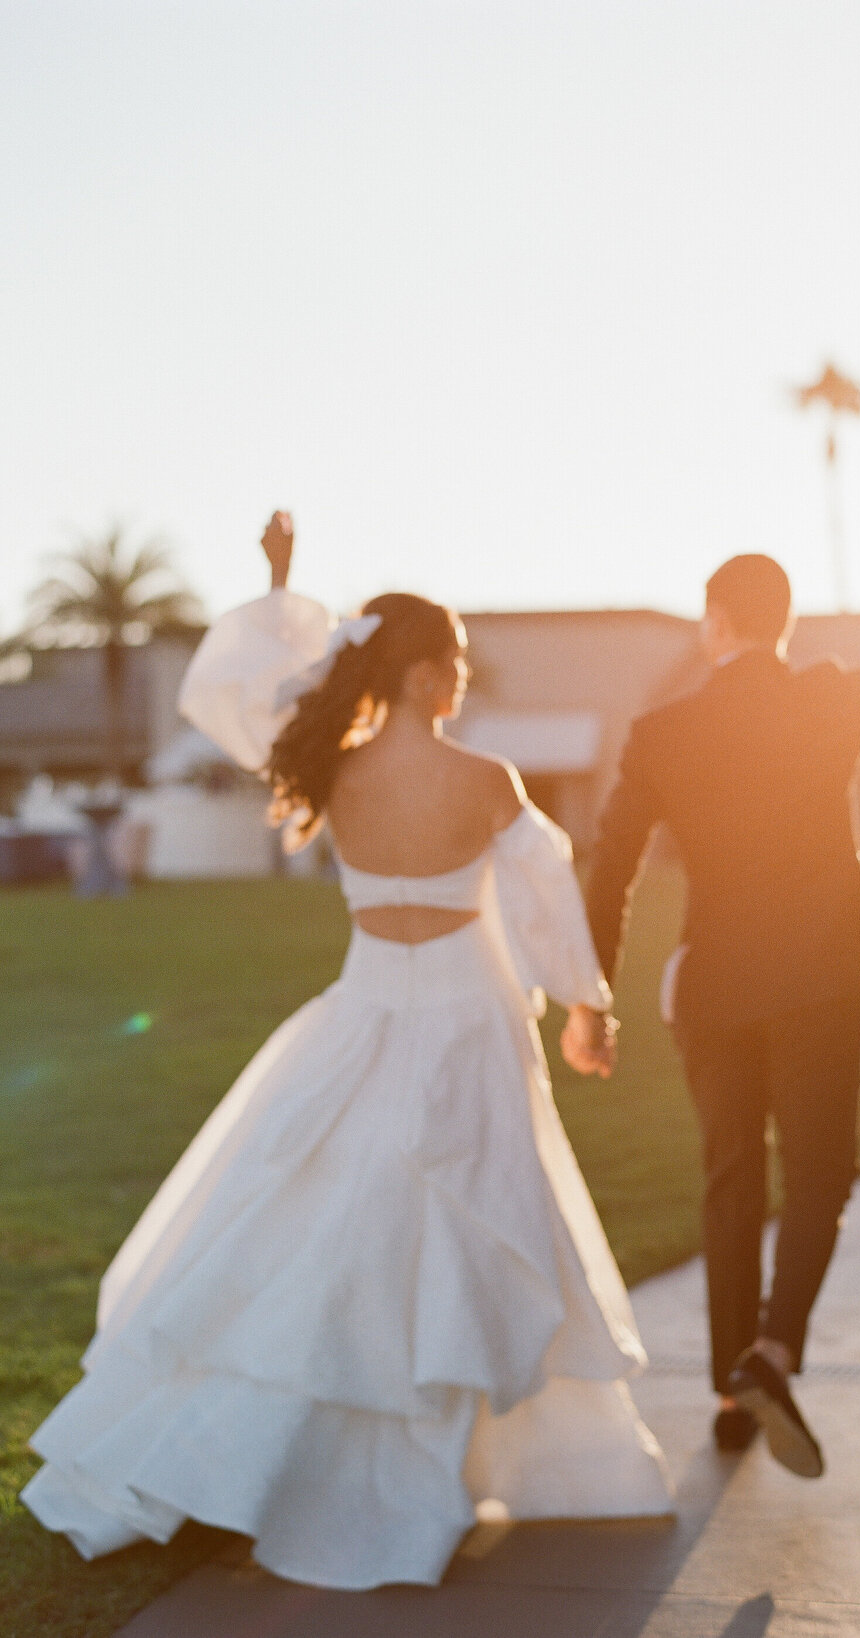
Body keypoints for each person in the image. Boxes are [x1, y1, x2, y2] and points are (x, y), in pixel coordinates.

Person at [21, 512, 672, 1589]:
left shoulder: (327, 763)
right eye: (453, 662)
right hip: (466, 1018)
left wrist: (281, 584)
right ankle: (424, 1468)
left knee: (324, 1221)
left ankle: (317, 1451)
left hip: (366, 1010)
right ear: (422, 674)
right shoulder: (489, 781)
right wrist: (584, 1007)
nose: (463, 678)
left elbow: (257, 692)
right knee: (461, 1232)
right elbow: (545, 898)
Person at [578, 501, 860, 1476]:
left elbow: (613, 868)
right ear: (786, 622)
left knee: (732, 1176)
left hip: (717, 987)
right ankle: (771, 1349)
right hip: (818, 977)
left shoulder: (661, 731)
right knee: (818, 1175)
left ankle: (733, 1392)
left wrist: (590, 992)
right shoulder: (826, 698)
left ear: (716, 622)